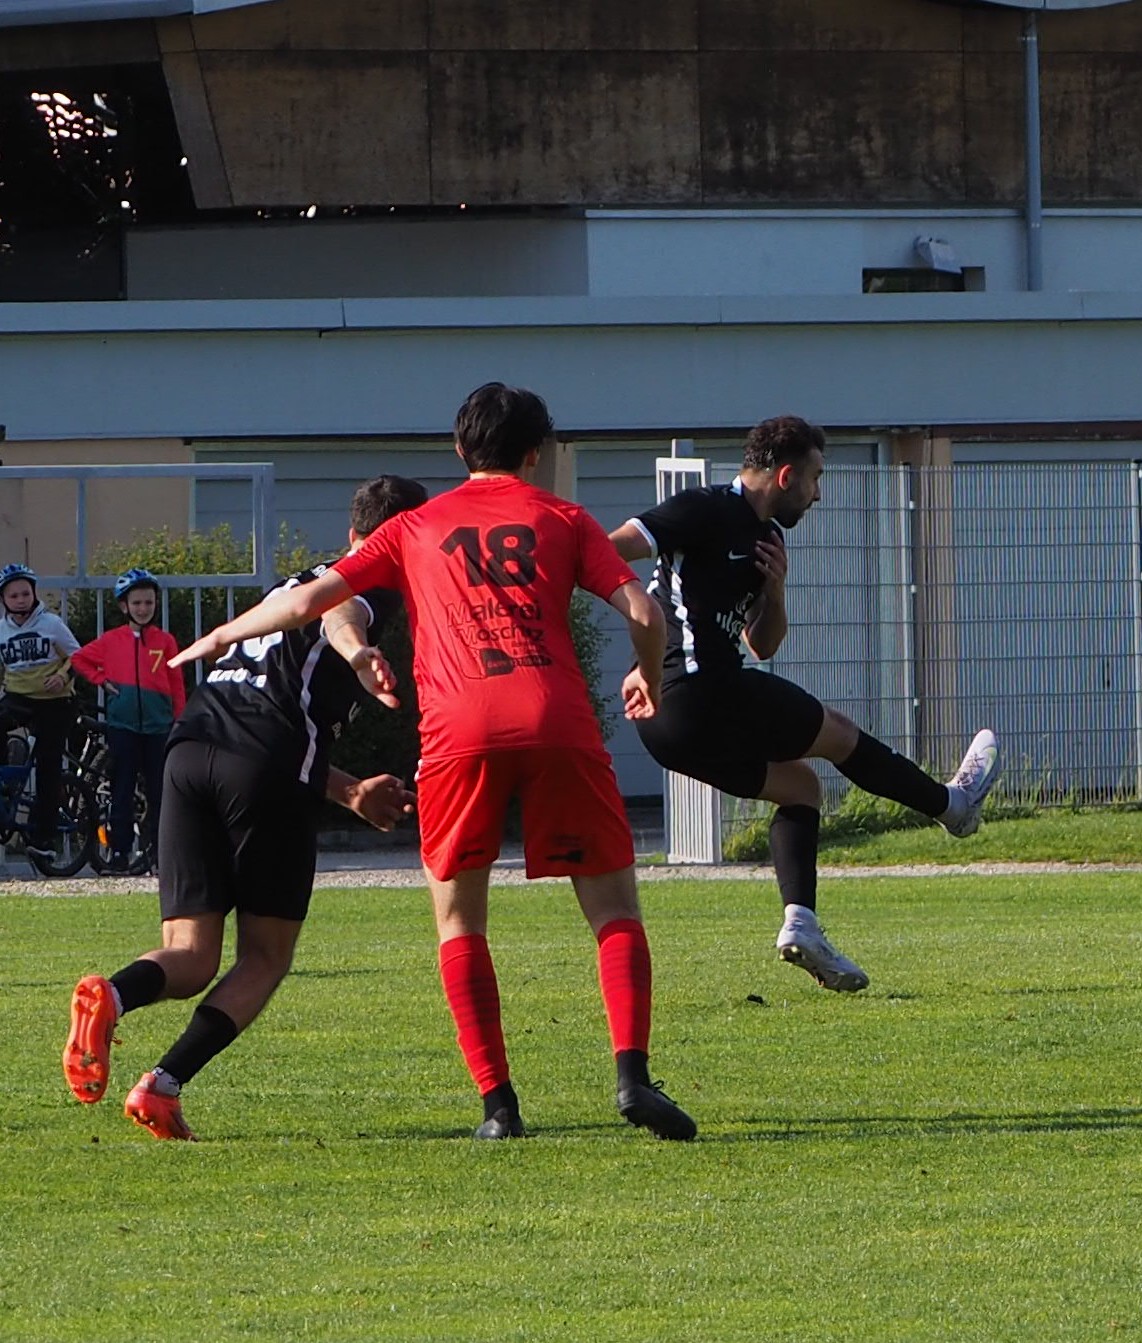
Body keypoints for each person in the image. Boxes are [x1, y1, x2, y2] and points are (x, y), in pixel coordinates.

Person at [178, 383, 694, 1142]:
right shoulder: (565, 518)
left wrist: (223, 635)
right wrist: (649, 675)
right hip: (556, 720)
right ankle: (633, 1077)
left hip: (459, 730)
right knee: (614, 909)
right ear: (535, 453)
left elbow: (309, 600)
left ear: (459, 450)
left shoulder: (416, 524)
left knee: (460, 922)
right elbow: (646, 613)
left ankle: (499, 1106)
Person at [63, 479, 425, 1140]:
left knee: (191, 953)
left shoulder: (291, 582)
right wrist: (358, 651)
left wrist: (350, 791)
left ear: (350, 531)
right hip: (260, 765)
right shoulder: (375, 579)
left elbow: (274, 729)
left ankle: (111, 995)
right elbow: (341, 611)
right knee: (264, 957)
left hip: (190, 749)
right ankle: (161, 1086)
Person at [609, 415, 1003, 993]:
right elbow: (607, 549)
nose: (818, 494)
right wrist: (640, 637)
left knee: (799, 787)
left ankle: (802, 925)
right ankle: (952, 806)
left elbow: (762, 645)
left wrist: (775, 592)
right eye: (816, 478)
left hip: (667, 727)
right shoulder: (706, 509)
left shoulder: (767, 538)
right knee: (838, 734)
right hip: (696, 692)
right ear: (786, 475)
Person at [68, 568, 185, 872]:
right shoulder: (111, 640)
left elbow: (176, 682)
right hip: (123, 726)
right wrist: (101, 680)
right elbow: (79, 659)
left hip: (158, 727)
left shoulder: (165, 640)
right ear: (124, 606)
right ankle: (120, 851)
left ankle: (159, 852)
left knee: (160, 792)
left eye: (148, 603)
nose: (143, 609)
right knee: (122, 790)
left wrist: (179, 719)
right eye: (136, 603)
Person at [0, 562, 83, 859]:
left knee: (49, 766)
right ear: (4, 599)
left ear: (34, 594)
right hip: (18, 698)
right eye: (13, 596)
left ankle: (44, 839)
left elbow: (78, 656)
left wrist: (62, 676)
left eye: (25, 594)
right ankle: (7, 787)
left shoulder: (51, 624)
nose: (21, 600)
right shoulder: (1, 630)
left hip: (54, 702)